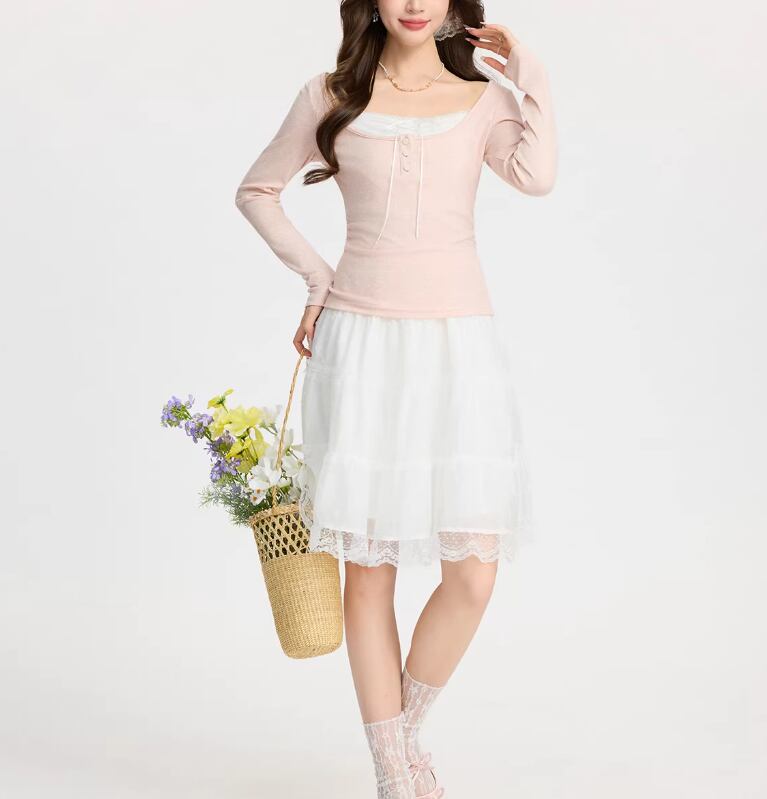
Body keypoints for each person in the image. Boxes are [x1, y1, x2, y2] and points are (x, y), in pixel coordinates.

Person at [234, 2, 557, 796]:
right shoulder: (330, 95)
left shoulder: (484, 99)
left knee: (472, 573)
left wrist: (531, 74)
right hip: (362, 346)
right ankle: (392, 771)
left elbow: (536, 176)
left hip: (457, 349)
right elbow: (257, 190)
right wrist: (317, 278)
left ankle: (403, 735)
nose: (414, 2)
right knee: (368, 571)